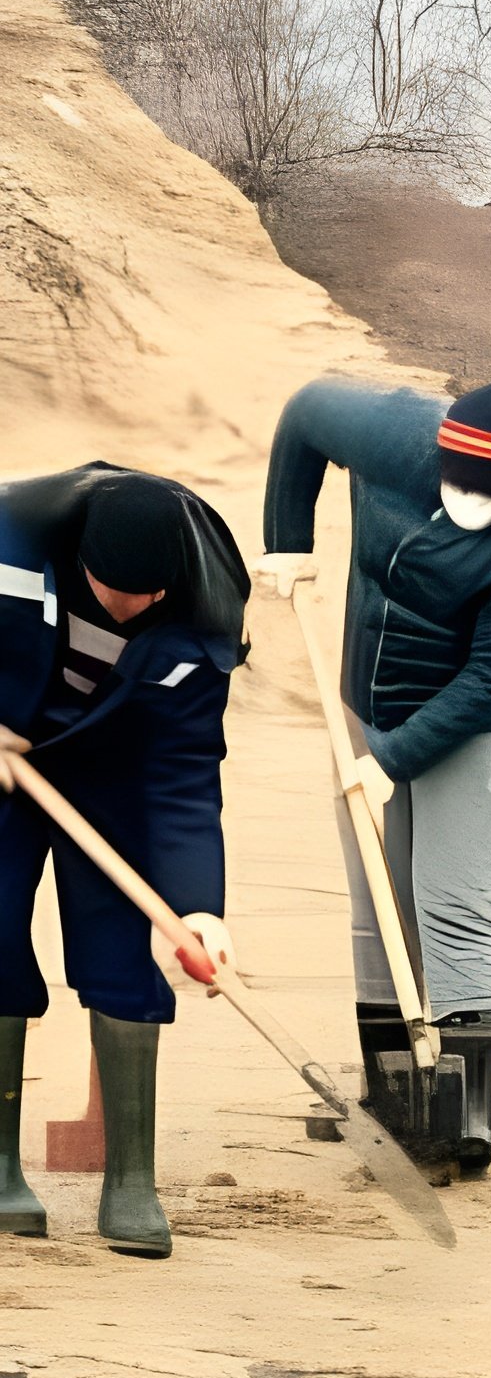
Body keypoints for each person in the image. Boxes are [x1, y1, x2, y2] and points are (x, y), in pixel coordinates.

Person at [257, 378, 491, 1169]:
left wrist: (390, 764)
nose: (472, 500)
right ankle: (392, 1100)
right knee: (378, 900)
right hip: (368, 695)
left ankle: (465, 1119)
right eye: (459, 483)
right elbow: (301, 415)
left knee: (455, 896)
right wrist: (287, 541)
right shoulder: (396, 433)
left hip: (476, 724)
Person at [0, 465, 248, 1258]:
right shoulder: (13, 538)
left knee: (119, 955)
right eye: (111, 590)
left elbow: (182, 775)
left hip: (113, 770)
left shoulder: (205, 614)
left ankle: (130, 1182)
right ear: (79, 559)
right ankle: (1, 1169)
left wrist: (199, 906)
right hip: (8, 754)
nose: (128, 608)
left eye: (146, 596)